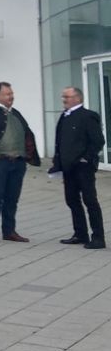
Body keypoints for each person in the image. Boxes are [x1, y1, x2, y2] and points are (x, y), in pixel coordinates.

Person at [0, 82, 41, 243]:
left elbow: (26, 134)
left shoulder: (16, 113)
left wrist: (27, 156)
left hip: (17, 162)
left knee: (12, 197)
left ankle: (9, 230)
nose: (11, 97)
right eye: (7, 94)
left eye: (11, 94)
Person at [52, 87, 106, 250]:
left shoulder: (88, 116)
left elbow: (98, 140)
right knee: (72, 200)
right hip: (68, 167)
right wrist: (58, 163)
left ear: (77, 98)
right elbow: (60, 142)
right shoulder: (64, 116)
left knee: (90, 200)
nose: (64, 100)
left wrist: (86, 158)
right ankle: (80, 233)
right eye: (63, 97)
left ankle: (98, 237)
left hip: (83, 167)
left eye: (66, 97)